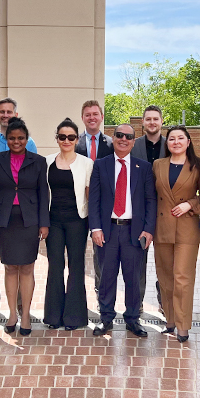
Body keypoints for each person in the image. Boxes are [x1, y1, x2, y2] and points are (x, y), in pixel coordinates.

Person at [89, 123, 156, 337]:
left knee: (133, 278)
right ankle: (105, 318)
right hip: (107, 230)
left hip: (134, 233)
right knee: (106, 277)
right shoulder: (101, 165)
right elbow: (94, 199)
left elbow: (150, 201)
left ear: (133, 141)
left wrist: (148, 229)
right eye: (119, 135)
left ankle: (133, 319)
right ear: (113, 138)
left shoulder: (143, 167)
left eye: (128, 136)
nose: (123, 139)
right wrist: (96, 228)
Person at [0, 117, 49, 336]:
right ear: (6, 139)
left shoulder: (38, 161)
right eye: (12, 138)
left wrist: (44, 223)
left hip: (29, 220)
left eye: (21, 138)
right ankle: (12, 313)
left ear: (27, 139)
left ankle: (25, 315)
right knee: (9, 267)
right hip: (5, 220)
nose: (17, 142)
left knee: (26, 267)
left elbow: (44, 193)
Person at [0, 98, 36, 321]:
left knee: (22, 262)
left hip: (21, 215)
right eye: (1, 112)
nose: (5, 115)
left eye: (9, 112)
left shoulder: (29, 143)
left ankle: (22, 306)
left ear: (15, 114)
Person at [153, 126, 200, 343]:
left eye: (180, 138)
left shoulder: (199, 166)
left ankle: (183, 326)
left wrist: (190, 205)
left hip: (186, 227)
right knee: (165, 277)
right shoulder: (158, 165)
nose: (176, 142)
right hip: (162, 227)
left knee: (182, 277)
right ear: (167, 143)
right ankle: (170, 321)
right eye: (171, 138)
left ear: (188, 141)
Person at [43, 118, 94, 331]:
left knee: (76, 266)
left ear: (77, 139)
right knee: (55, 266)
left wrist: (94, 225)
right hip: (53, 221)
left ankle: (74, 317)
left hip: (77, 221)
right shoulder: (46, 162)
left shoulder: (86, 163)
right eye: (62, 136)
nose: (66, 140)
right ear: (57, 138)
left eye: (71, 137)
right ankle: (53, 316)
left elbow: (90, 196)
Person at [75, 100, 114, 309]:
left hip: (104, 209)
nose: (92, 117)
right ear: (83, 118)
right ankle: (78, 299)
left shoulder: (112, 143)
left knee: (102, 255)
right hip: (80, 207)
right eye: (88, 114)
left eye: (95, 114)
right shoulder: (74, 142)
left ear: (101, 117)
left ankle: (101, 296)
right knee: (76, 254)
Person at [131, 105, 167, 314]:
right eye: (148, 119)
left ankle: (163, 301)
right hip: (139, 211)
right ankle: (137, 302)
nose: (152, 122)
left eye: (156, 119)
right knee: (138, 259)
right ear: (143, 122)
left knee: (163, 261)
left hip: (165, 210)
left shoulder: (171, 145)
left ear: (161, 121)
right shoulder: (133, 146)